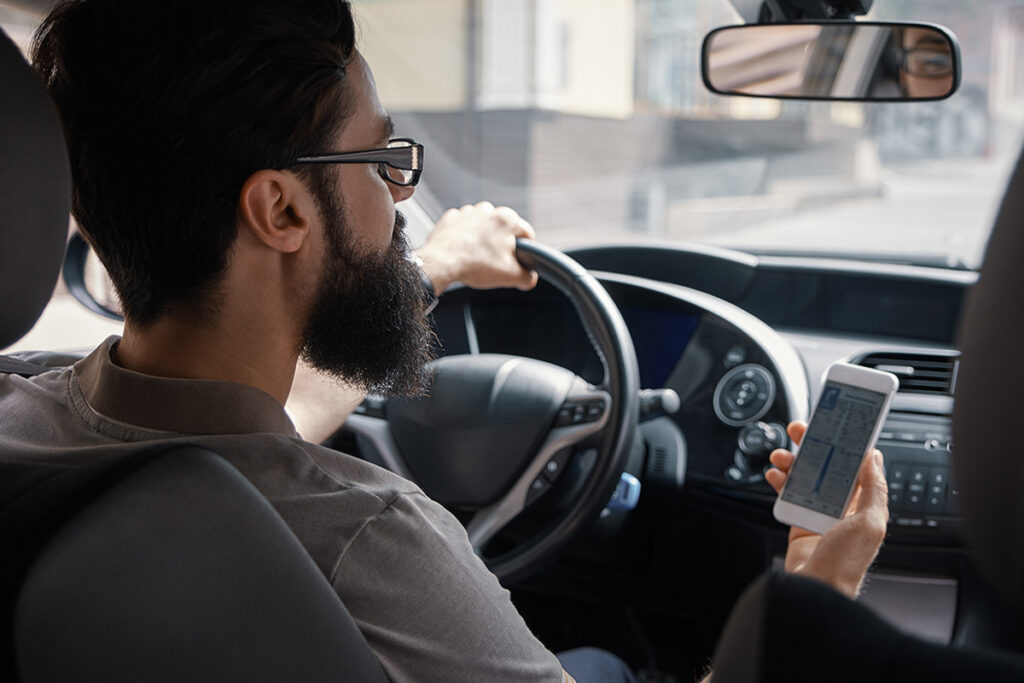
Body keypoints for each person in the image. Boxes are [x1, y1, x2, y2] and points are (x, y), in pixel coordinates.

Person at [0, 1, 888, 681]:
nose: (400, 200)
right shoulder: (371, 538)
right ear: (281, 210)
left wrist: (435, 268)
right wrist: (814, 593)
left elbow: (250, 435)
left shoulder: (21, 407)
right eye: (382, 161)